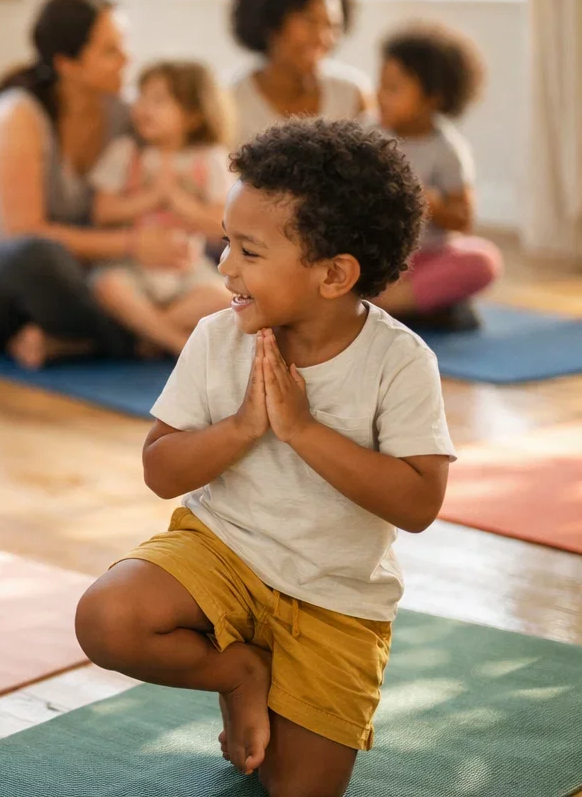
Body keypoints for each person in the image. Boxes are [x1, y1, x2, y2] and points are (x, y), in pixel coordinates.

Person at [75, 120, 454, 795]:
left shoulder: (401, 362)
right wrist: (245, 427)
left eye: (248, 251)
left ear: (335, 274)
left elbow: (420, 504)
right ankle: (241, 670)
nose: (223, 266)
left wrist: (303, 429)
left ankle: (278, 680)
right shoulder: (220, 337)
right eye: (226, 241)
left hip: (336, 599)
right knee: (108, 619)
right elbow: (160, 470)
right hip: (222, 553)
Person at [0, 0, 195, 370]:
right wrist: (133, 244)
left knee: (200, 252)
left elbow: (183, 150)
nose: (127, 59)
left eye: (124, 45)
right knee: (41, 255)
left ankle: (71, 342)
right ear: (67, 63)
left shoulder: (123, 114)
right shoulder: (18, 116)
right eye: (110, 51)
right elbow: (23, 232)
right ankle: (150, 337)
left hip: (69, 286)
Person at [89, 60, 236, 356]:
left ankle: (147, 336)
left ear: (194, 115)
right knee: (107, 287)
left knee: (225, 298)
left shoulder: (209, 158)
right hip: (132, 267)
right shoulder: (126, 152)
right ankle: (177, 343)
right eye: (141, 96)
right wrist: (153, 196)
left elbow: (223, 223)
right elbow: (102, 212)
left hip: (186, 267)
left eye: (158, 100)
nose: (143, 107)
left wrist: (177, 199)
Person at [372, 22, 501, 328]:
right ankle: (424, 306)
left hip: (426, 257)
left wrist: (435, 205)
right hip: (374, 256)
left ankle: (388, 305)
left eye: (393, 89)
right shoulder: (367, 134)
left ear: (432, 99)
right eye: (380, 84)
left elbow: (463, 219)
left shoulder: (448, 150)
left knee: (483, 260)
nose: (380, 96)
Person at [229, 0, 373, 144]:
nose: (323, 37)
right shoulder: (232, 103)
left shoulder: (352, 94)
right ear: (271, 23)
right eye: (309, 22)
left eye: (332, 25)